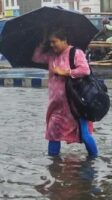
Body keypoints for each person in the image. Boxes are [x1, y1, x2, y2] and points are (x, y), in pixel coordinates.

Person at [32, 29, 98, 157]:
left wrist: (65, 72)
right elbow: (36, 57)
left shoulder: (75, 53)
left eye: (54, 41)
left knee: (84, 134)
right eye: (50, 42)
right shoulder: (51, 55)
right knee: (53, 134)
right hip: (56, 105)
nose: (52, 45)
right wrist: (43, 41)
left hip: (75, 104)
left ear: (64, 40)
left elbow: (85, 70)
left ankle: (94, 159)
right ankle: (53, 163)